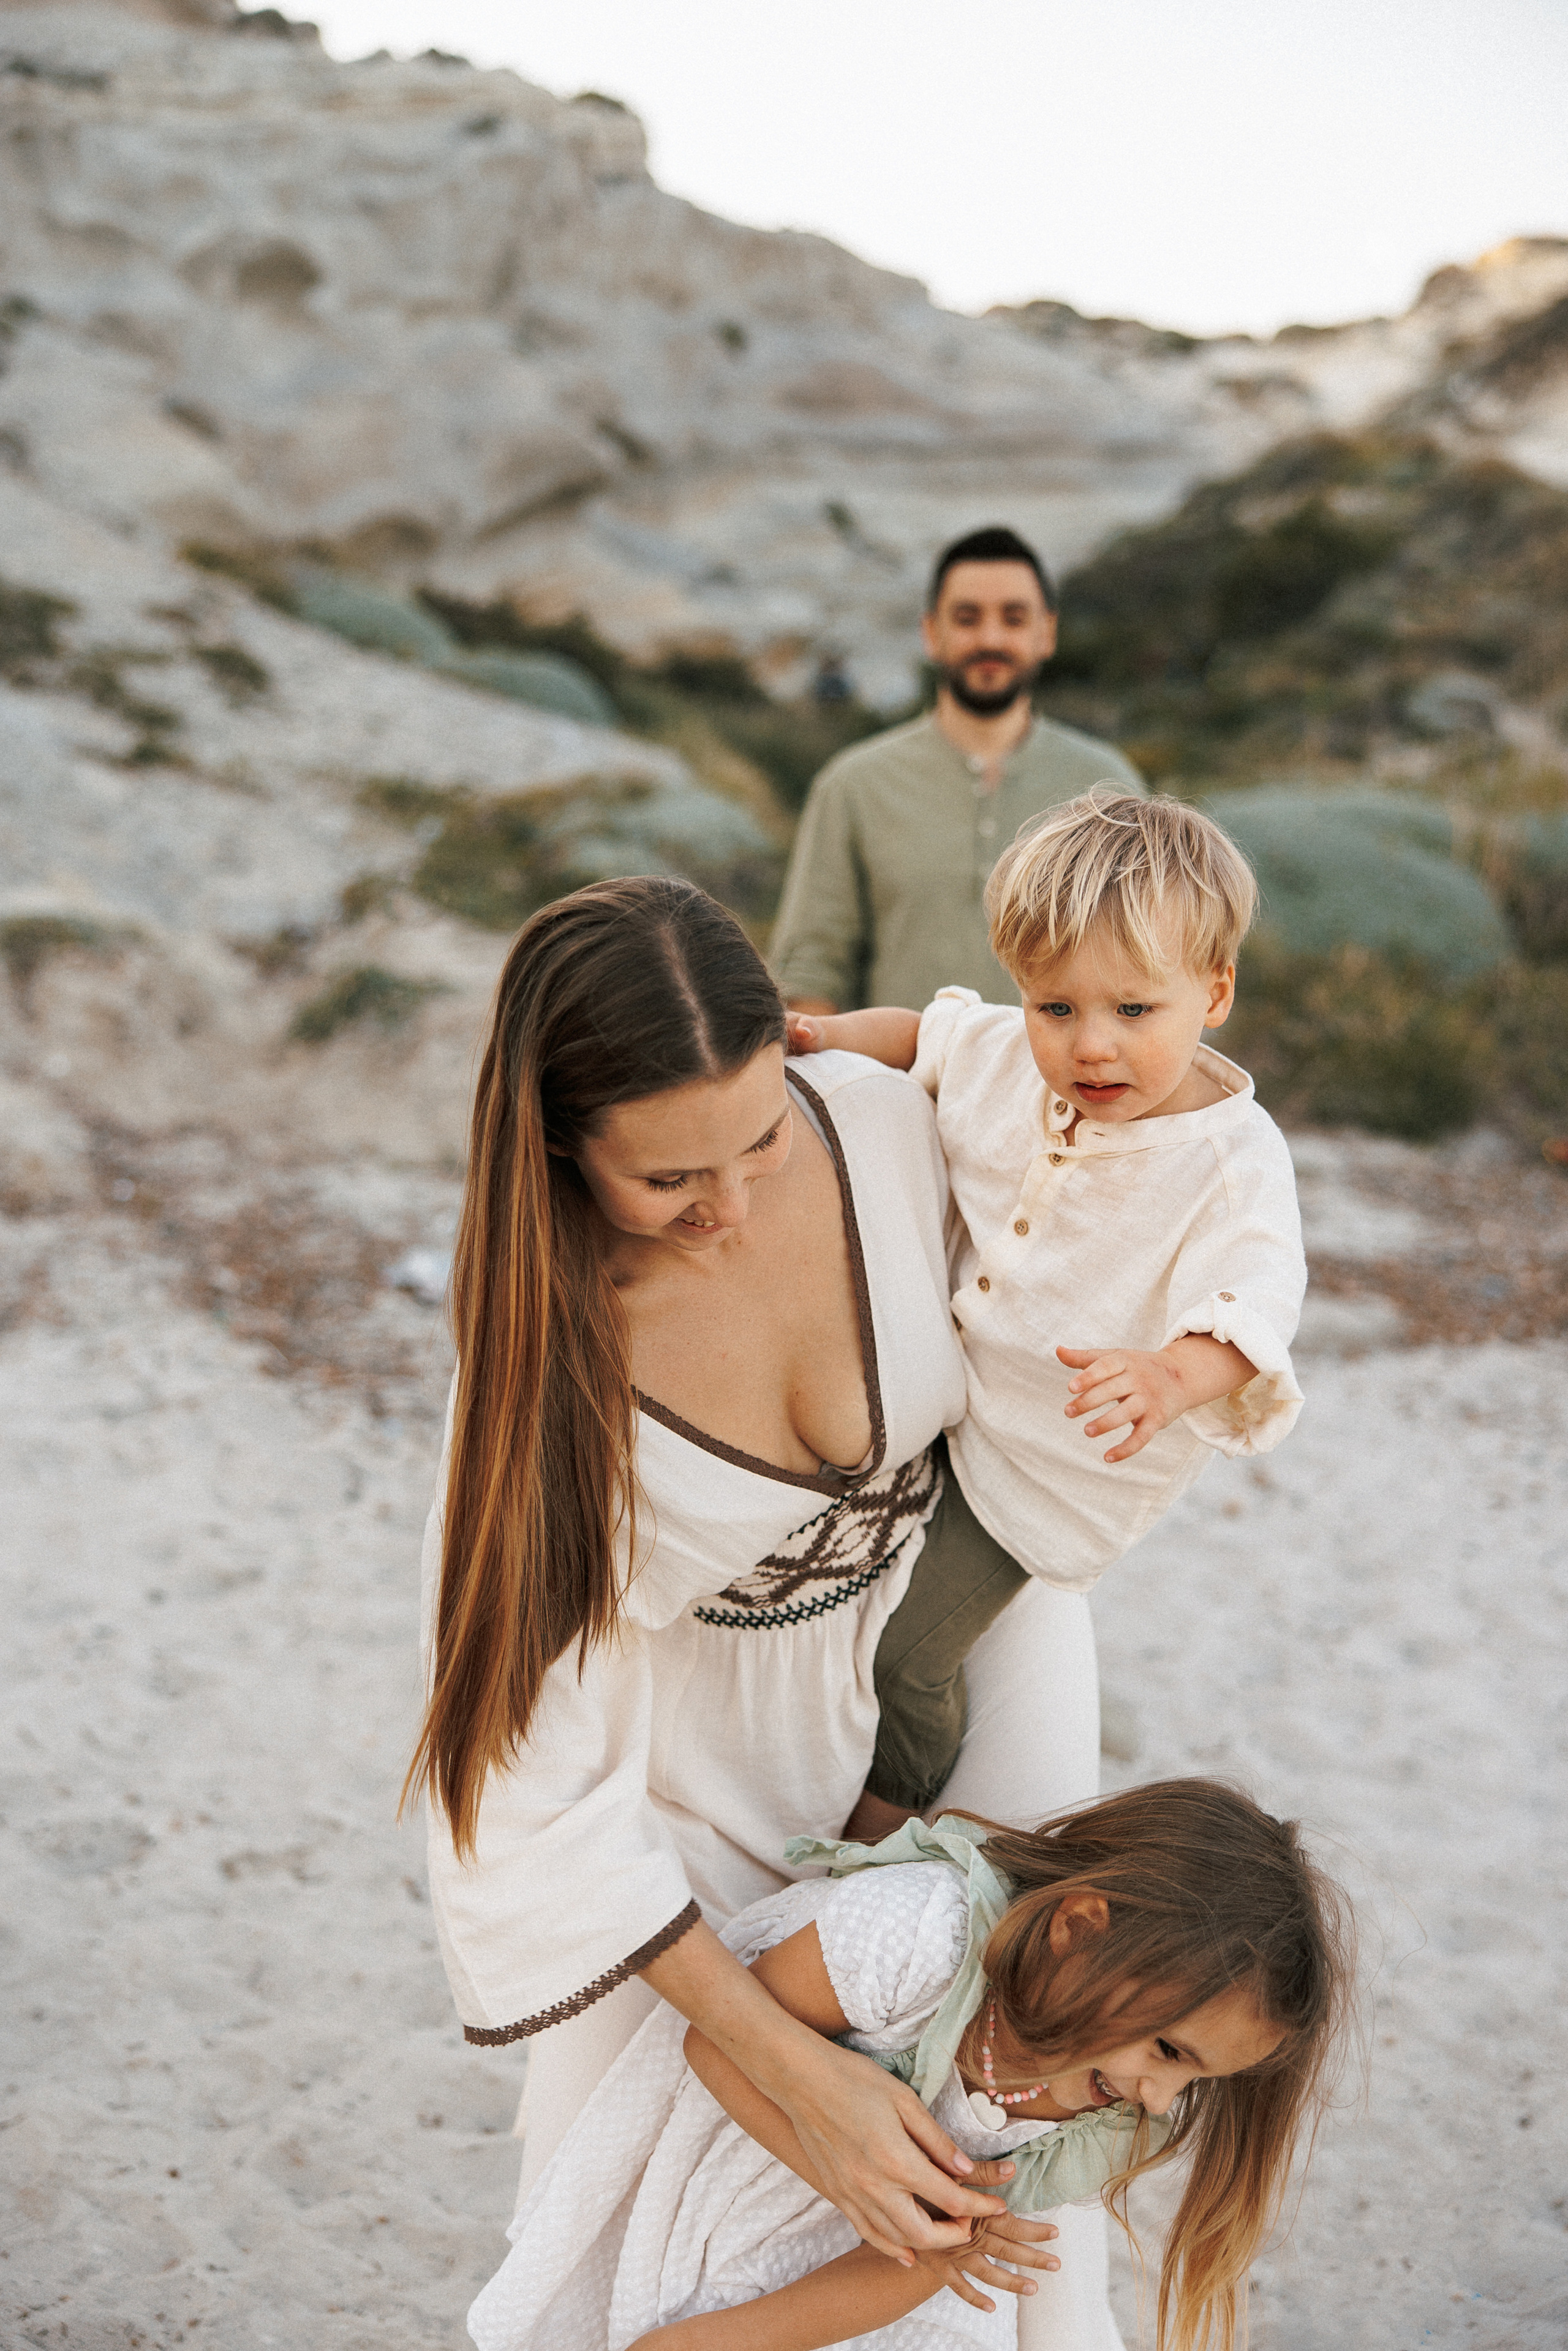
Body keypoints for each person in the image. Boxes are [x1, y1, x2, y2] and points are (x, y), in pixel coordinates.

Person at [410, 875, 1125, 2350]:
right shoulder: (543, 1367)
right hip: (698, 1763)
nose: (730, 1209)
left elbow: (1139, 1116)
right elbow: (527, 1775)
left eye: (759, 1138)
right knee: (612, 2200)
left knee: (1029, 2126)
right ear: (558, 1143)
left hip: (964, 1648)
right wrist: (791, 2072)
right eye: (671, 1178)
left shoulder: (873, 1117)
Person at [797, 793, 1307, 1843]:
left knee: (908, 1652)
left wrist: (1169, 1374)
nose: (1092, 1047)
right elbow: (922, 1034)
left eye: (1135, 1010)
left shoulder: (1231, 1160)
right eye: (1056, 1007)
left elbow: (1253, 1302)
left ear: (1214, 992)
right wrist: (816, 1037)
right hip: (948, 1396)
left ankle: (878, 1825)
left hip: (1044, 1471)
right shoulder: (1004, 1054)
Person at [467, 1779, 1354, 2351]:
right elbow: (719, 2041)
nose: (1161, 2100)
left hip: (866, 2276)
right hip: (747, 2145)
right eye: (1169, 2050)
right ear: (1079, 1927)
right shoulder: (922, 1936)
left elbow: (927, 2258)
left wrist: (736, 2338)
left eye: (1198, 2080)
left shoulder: (1102, 2115)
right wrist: (857, 2183)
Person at [771, 525, 1144, 1017]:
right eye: (967, 618)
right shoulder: (853, 785)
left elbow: (1145, 963)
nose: (990, 638)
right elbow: (812, 971)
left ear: (1046, 633)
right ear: (932, 633)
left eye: (1013, 618)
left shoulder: (1108, 788)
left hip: (1064, 1069)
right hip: (897, 1068)